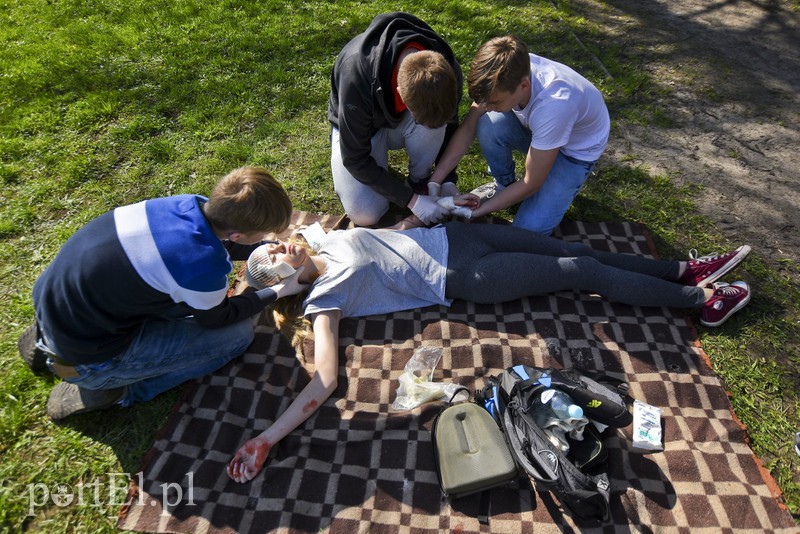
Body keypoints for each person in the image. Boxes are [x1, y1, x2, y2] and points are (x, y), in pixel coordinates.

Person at [227, 215, 751, 482]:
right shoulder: (324, 299)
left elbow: (381, 233)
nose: (279, 248)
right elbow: (324, 380)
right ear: (286, 287)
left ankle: (682, 270)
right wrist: (268, 438)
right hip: (465, 274)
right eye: (274, 261)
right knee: (581, 273)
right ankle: (700, 300)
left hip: (455, 234)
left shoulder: (318, 238)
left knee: (575, 250)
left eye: (270, 246)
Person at [18, 167, 308, 421]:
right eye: (264, 236)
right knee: (237, 336)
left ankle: (48, 335)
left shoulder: (187, 205)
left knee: (170, 295)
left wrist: (261, 251)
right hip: (91, 356)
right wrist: (280, 289)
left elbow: (219, 242)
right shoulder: (200, 264)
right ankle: (115, 390)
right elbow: (219, 318)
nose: (270, 240)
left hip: (59, 300)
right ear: (237, 235)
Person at [427, 35, 611, 235]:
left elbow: (532, 182)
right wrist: (434, 181)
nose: (487, 107)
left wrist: (476, 212)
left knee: (525, 233)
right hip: (542, 130)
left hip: (574, 153)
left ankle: (552, 185)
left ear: (524, 85)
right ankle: (504, 185)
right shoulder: (504, 74)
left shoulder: (555, 105)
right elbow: (469, 126)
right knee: (487, 122)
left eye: (494, 102)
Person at [328, 12, 463, 228]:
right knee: (365, 214)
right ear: (400, 93)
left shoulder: (447, 70)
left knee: (435, 125)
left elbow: (450, 126)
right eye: (419, 118)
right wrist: (412, 201)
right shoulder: (356, 76)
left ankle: (420, 181)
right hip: (363, 128)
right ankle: (414, 192)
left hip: (395, 118)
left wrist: (446, 180)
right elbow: (355, 158)